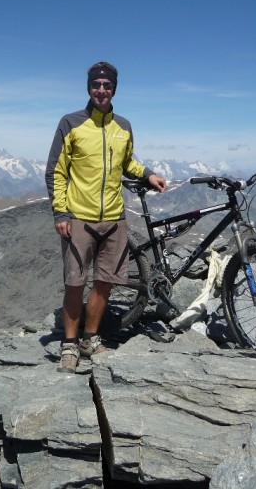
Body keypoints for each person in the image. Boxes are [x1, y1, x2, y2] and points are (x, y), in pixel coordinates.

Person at [46, 62, 167, 373]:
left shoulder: (123, 126)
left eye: (107, 85)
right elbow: (56, 172)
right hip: (80, 219)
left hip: (114, 218)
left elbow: (128, 163)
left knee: (104, 283)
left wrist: (149, 174)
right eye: (96, 85)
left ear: (114, 89)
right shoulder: (70, 123)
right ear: (88, 87)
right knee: (75, 283)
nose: (101, 90)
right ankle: (69, 346)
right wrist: (61, 211)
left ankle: (90, 338)